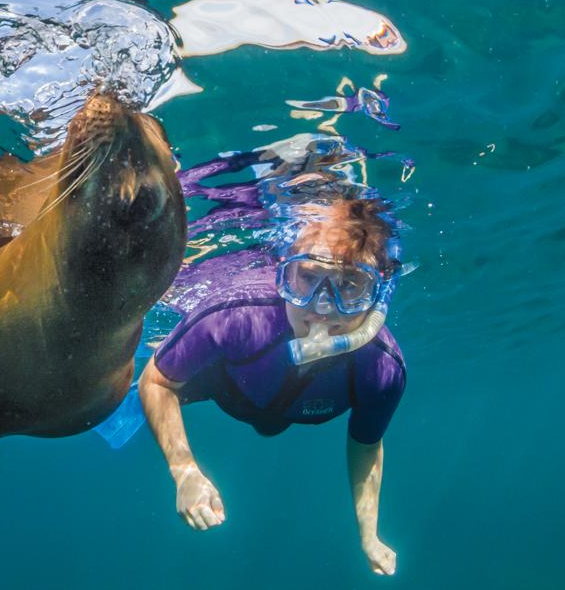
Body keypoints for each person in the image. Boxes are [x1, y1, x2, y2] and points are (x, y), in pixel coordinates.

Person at [139, 194, 406, 576]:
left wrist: (369, 534)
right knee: (116, 394)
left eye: (350, 286)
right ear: (284, 275)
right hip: (222, 385)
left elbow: (367, 445)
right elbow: (158, 380)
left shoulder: (381, 369)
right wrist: (185, 470)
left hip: (280, 406)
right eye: (308, 278)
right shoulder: (235, 315)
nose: (323, 306)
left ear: (377, 299)